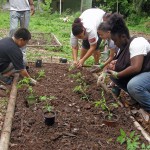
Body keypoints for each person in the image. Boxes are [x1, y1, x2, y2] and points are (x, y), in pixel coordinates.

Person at [106, 13, 150, 112]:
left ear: (123, 36)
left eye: (115, 40)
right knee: (114, 76)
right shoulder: (123, 47)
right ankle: (137, 98)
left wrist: (118, 74)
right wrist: (114, 66)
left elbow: (136, 67)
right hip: (145, 74)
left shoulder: (137, 43)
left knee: (134, 85)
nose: (115, 43)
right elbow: (125, 63)